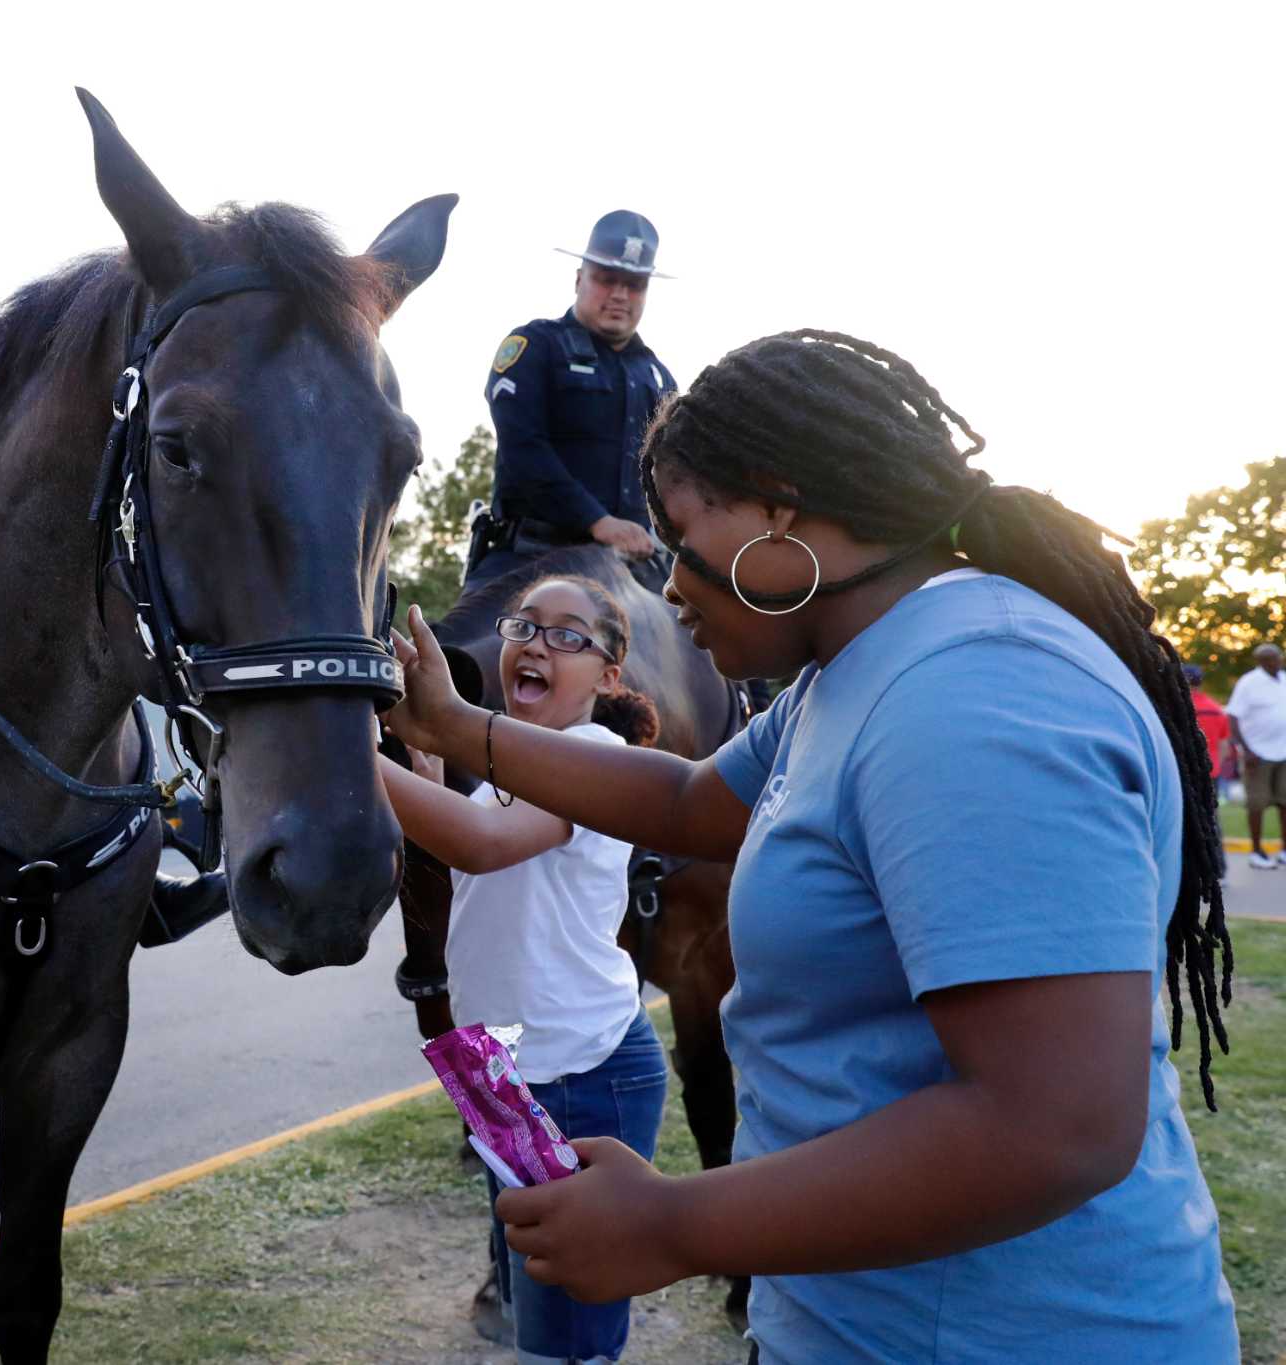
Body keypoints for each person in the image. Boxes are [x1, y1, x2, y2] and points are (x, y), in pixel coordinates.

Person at [383, 330, 1238, 1362]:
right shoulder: (853, 674)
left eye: (678, 528)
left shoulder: (971, 695)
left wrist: (669, 1225)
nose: (668, 590)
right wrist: (450, 727)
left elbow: (1053, 1124)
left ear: (774, 508)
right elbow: (691, 800)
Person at [380, 575, 666, 1364]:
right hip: (508, 1067)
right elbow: (465, 848)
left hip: (583, 1072)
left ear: (610, 677)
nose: (537, 642)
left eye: (569, 634)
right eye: (525, 626)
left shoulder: (592, 755)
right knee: (528, 1306)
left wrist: (335, 747)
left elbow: (481, 840)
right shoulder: (518, 766)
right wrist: (428, 762)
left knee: (567, 1340)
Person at [466, 211, 677, 594]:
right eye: (606, 279)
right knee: (458, 649)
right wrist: (597, 521)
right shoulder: (535, 347)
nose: (619, 295)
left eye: (634, 285)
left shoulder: (659, 377)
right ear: (579, 279)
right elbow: (523, 448)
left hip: (638, 570)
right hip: (532, 555)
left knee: (703, 645)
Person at [1226, 642, 1286, 869]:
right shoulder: (1249, 683)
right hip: (1258, 754)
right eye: (1268, 659)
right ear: (1260, 661)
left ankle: (1284, 850)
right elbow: (1233, 717)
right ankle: (1257, 851)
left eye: (1276, 658)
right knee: (1257, 804)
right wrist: (1246, 750)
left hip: (1284, 751)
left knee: (1284, 802)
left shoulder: (1284, 680)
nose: (1274, 662)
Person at [1185, 664, 1233, 805]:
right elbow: (1224, 745)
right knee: (1211, 815)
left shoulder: (1177, 707)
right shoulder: (1216, 708)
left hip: (1185, 770)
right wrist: (1216, 764)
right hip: (1211, 769)